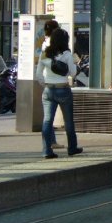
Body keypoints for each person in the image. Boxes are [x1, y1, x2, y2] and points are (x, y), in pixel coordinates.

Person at [36, 28, 82, 159]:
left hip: (48, 90)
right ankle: (72, 148)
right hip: (63, 89)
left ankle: (46, 150)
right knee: (68, 121)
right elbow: (73, 73)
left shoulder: (44, 54)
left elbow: (38, 74)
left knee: (47, 121)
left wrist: (45, 84)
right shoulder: (67, 54)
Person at [41, 19, 63, 150]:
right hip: (56, 82)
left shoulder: (44, 43)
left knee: (48, 117)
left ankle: (50, 142)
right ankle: (50, 142)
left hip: (47, 80)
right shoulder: (54, 44)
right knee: (51, 118)